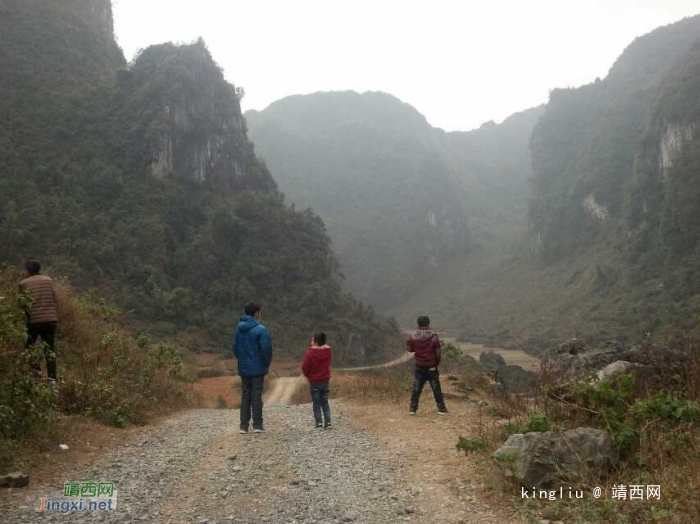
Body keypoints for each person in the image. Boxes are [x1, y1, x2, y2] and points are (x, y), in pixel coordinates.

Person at [233, 302, 273, 434]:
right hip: (257, 369)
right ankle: (257, 425)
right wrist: (265, 364)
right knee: (256, 395)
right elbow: (266, 349)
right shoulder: (261, 329)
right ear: (256, 313)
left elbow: (235, 348)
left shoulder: (239, 329)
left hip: (244, 368)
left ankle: (243, 426)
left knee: (245, 395)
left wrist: (242, 360)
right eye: (260, 311)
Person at [19, 260, 59, 381]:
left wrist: (28, 316)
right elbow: (53, 299)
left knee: (29, 346)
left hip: (34, 321)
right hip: (51, 320)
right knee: (50, 349)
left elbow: (22, 304)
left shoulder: (23, 283)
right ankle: (52, 379)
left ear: (28, 270)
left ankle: (36, 371)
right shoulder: (49, 280)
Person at [406, 315, 448, 415]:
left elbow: (409, 349)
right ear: (428, 323)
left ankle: (412, 409)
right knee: (436, 387)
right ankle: (441, 409)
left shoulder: (412, 335)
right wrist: (437, 362)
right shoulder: (433, 335)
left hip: (419, 365)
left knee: (417, 387)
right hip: (431, 365)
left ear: (418, 323)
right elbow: (438, 351)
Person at [301, 332, 332, 429]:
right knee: (325, 402)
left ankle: (318, 423)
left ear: (315, 342)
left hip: (314, 382)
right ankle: (328, 422)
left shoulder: (309, 353)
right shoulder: (328, 352)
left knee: (316, 402)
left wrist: (307, 375)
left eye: (312, 340)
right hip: (325, 380)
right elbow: (328, 363)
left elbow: (305, 367)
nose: (311, 342)